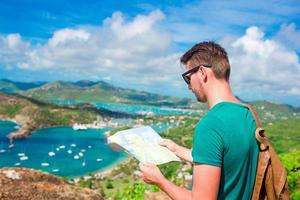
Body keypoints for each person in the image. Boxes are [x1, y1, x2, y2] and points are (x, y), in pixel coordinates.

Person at [139, 41, 259, 199]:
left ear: (202, 72)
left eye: (188, 78)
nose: (189, 86)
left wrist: (160, 181)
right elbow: (225, 159)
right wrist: (176, 149)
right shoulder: (248, 113)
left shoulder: (211, 124)